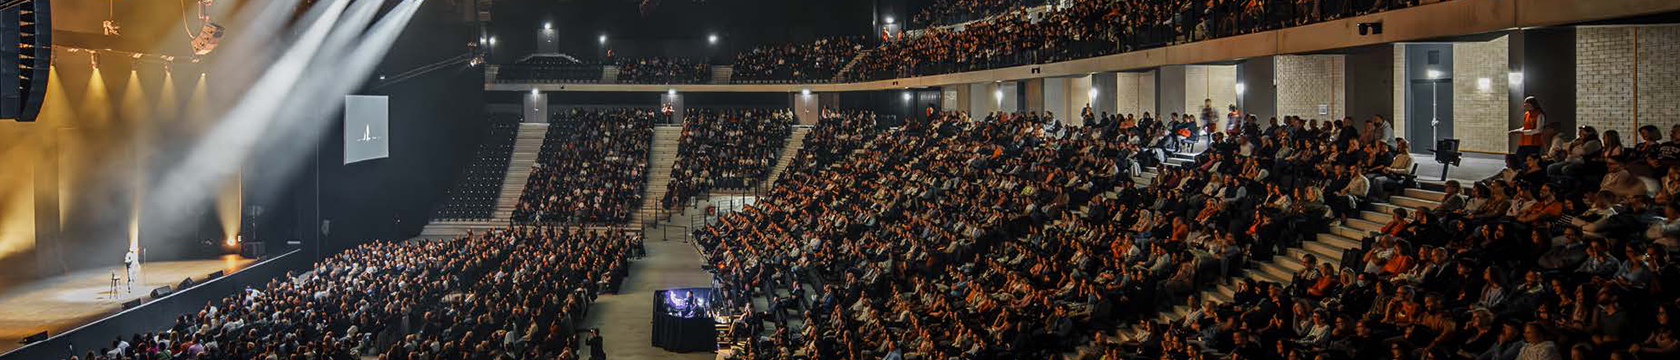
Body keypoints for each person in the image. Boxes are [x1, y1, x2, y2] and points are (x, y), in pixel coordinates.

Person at [1509, 96, 1546, 165]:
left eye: (1526, 104)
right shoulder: (1527, 114)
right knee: (1518, 158)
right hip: (1524, 142)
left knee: (1531, 162)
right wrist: (1515, 131)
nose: (1525, 105)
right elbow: (1525, 127)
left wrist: (1523, 132)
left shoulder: (1540, 114)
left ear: (1532, 104)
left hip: (1534, 143)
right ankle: (1521, 173)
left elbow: (1539, 130)